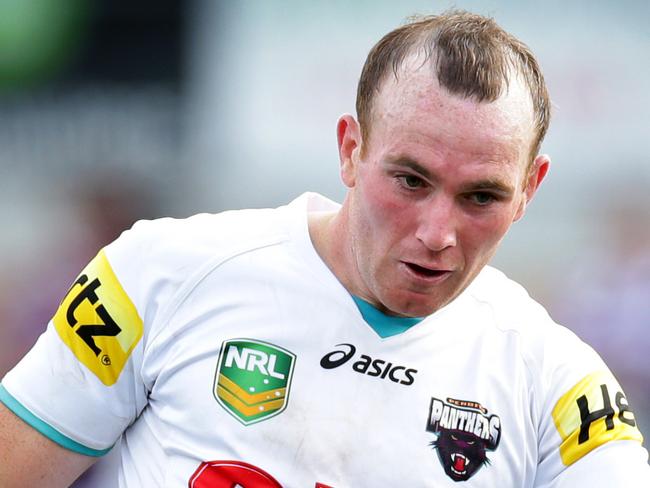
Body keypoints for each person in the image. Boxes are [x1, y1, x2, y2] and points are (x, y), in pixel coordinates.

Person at [1, 10, 648, 487]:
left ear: (530, 189)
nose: (437, 232)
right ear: (350, 149)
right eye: (410, 180)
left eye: (481, 197)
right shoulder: (158, 275)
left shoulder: (560, 387)